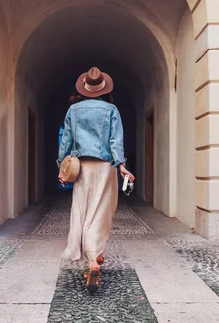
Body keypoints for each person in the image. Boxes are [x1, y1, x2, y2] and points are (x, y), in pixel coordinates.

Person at [57, 67, 135, 293]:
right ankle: (94, 260)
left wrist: (61, 168)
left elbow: (66, 141)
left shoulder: (73, 110)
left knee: (81, 210)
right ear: (102, 88)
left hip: (81, 166)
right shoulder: (111, 109)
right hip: (104, 167)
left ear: (84, 88)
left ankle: (90, 254)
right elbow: (115, 140)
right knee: (100, 211)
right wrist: (121, 165)